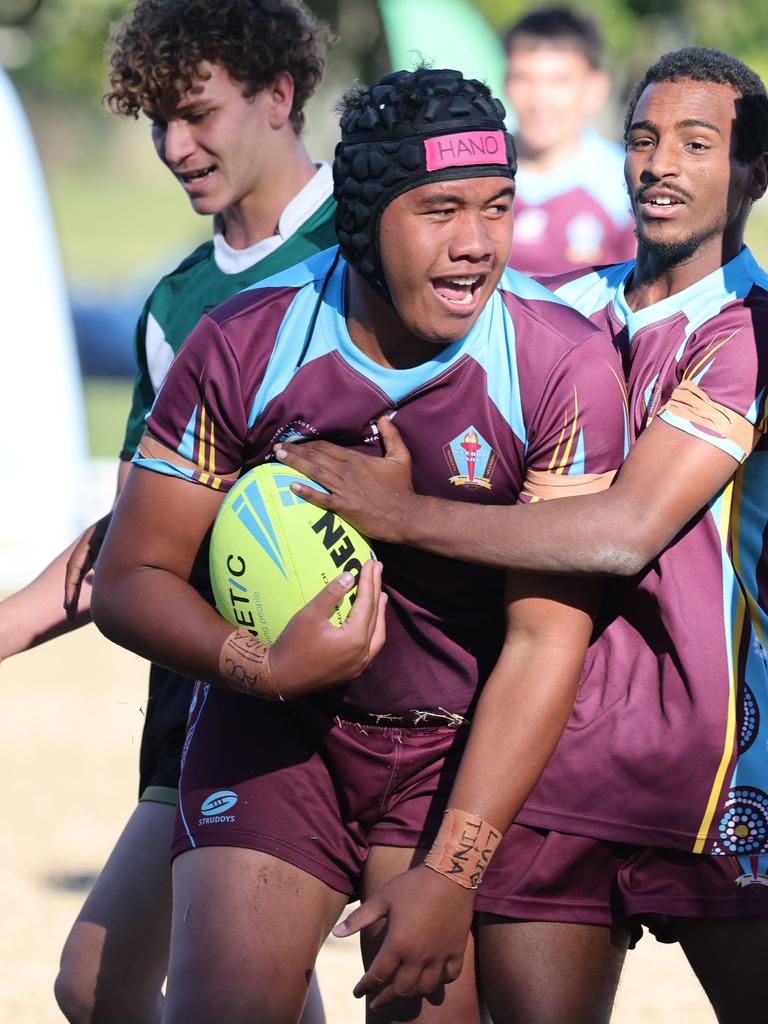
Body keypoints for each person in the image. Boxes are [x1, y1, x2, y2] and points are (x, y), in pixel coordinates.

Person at [90, 67, 628, 1023]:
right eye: (439, 211)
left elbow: (548, 639)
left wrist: (454, 872)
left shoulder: (559, 361)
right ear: (365, 218)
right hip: (277, 736)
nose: (475, 246)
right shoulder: (246, 341)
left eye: (498, 208)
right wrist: (260, 663)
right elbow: (132, 576)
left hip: (456, 756)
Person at [275, 46, 768, 1024]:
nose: (659, 164)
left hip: (714, 765)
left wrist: (397, 513)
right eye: (642, 139)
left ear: (756, 172)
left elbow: (625, 531)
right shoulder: (563, 312)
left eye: (699, 144)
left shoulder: (749, 332)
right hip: (555, 760)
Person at [0, 1, 335, 1021]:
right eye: (155, 119)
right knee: (103, 986)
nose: (173, 146)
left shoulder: (372, 248)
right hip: (209, 692)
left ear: (280, 95)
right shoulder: (175, 304)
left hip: (367, 694)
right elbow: (138, 531)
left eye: (196, 112)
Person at [503, 5, 635, 275]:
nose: (540, 100)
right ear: (505, 83)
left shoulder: (626, 182)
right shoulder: (481, 174)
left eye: (560, 81)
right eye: (524, 79)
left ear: (595, 88)